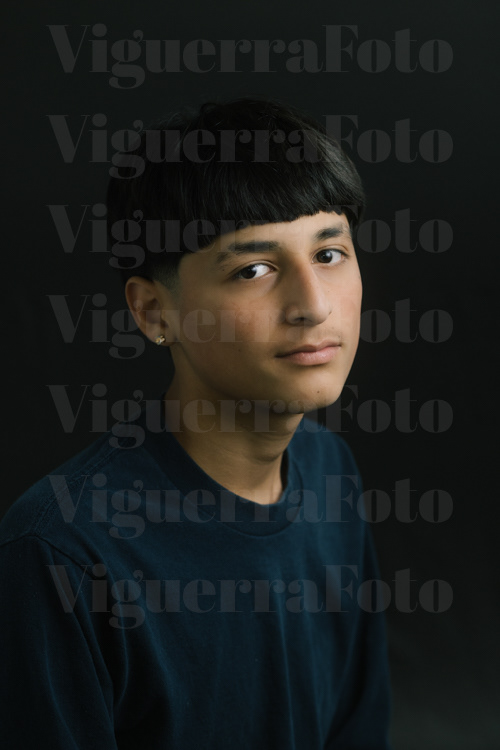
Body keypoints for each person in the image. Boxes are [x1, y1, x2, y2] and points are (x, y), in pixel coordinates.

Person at [0, 97, 392, 748]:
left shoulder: (330, 470)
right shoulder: (62, 553)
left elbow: (359, 725)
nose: (314, 305)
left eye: (329, 253)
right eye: (254, 269)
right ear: (154, 312)